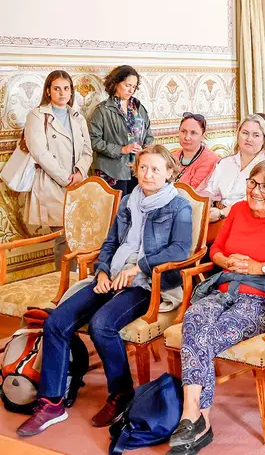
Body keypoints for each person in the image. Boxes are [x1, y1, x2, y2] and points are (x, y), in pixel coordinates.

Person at [16, 145, 192, 437]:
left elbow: (180, 249)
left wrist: (138, 268)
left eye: (156, 169)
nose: (147, 174)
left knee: (102, 325)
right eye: (143, 167)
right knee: (57, 322)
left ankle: (121, 395)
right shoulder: (129, 201)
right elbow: (110, 243)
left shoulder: (178, 205)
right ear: (135, 169)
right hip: (112, 275)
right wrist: (101, 271)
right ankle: (52, 403)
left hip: (150, 283)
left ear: (169, 173)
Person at [170, 160, 265, 453]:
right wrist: (225, 261)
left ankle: (198, 421)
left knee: (203, 339)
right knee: (194, 318)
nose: (256, 191)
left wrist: (261, 267)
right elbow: (216, 249)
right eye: (252, 182)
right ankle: (194, 415)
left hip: (260, 300)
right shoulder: (237, 211)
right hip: (223, 290)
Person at [24, 70, 93, 269]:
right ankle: (63, 288)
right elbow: (39, 152)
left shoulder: (77, 117)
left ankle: (77, 285)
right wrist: (66, 178)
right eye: (57, 88)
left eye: (66, 88)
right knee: (64, 239)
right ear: (48, 91)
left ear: (71, 91)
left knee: (80, 237)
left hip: (79, 184)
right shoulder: (37, 115)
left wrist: (79, 172)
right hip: (53, 183)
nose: (62, 93)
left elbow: (87, 150)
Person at [89, 65, 153, 193]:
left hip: (138, 168)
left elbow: (148, 135)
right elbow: (93, 140)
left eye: (134, 87)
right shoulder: (102, 111)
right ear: (116, 83)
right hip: (112, 171)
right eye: (127, 85)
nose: (131, 90)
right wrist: (122, 149)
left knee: (136, 209)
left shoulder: (139, 108)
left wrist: (146, 150)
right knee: (115, 210)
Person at [202, 114, 265, 222]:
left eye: (256, 135)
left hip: (250, 220)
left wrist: (223, 213)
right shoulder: (225, 163)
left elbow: (254, 201)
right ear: (238, 134)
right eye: (245, 133)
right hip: (217, 217)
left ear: (264, 139)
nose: (249, 139)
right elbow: (209, 190)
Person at [171, 113, 220, 190]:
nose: (187, 137)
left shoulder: (210, 159)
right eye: (183, 131)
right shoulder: (172, 156)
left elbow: (194, 194)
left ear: (203, 136)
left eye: (193, 133)